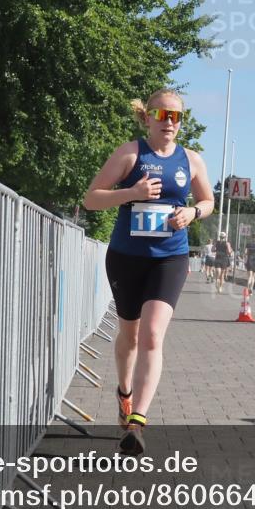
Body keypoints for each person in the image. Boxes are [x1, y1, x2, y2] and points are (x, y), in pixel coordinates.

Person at [84, 89, 214, 456]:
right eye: (162, 115)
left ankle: (137, 423)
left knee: (153, 334)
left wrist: (193, 213)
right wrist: (132, 192)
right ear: (147, 117)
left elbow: (208, 200)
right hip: (127, 257)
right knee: (131, 335)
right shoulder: (130, 153)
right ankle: (124, 392)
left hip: (170, 258)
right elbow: (91, 198)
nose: (170, 123)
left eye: (177, 117)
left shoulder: (192, 160)